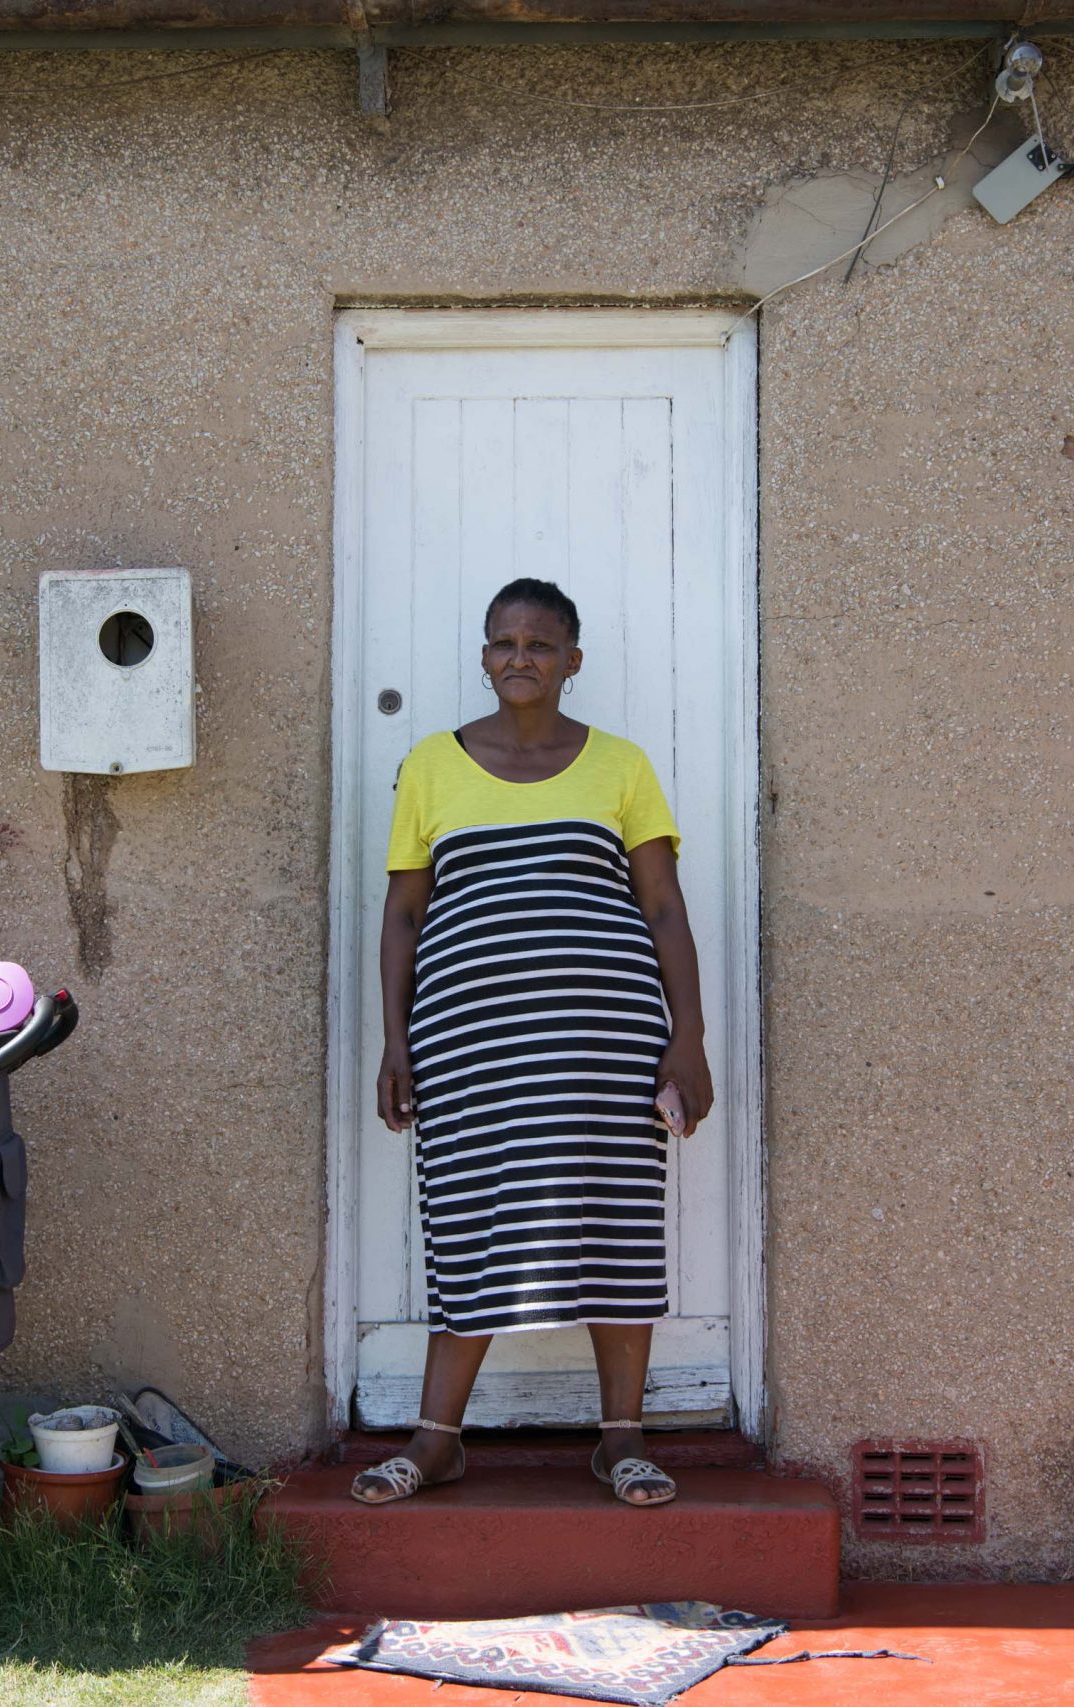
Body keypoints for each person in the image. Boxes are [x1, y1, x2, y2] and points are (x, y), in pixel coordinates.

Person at [353, 576, 714, 1509]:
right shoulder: (431, 764)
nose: (522, 657)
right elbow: (403, 914)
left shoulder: (622, 766)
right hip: (469, 1043)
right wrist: (396, 1042)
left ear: (572, 662)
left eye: (542, 644)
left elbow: (663, 905)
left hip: (605, 1036)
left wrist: (690, 1038)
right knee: (468, 1217)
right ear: (483, 656)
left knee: (614, 1224)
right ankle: (438, 1443)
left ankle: (620, 1438)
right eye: (505, 642)